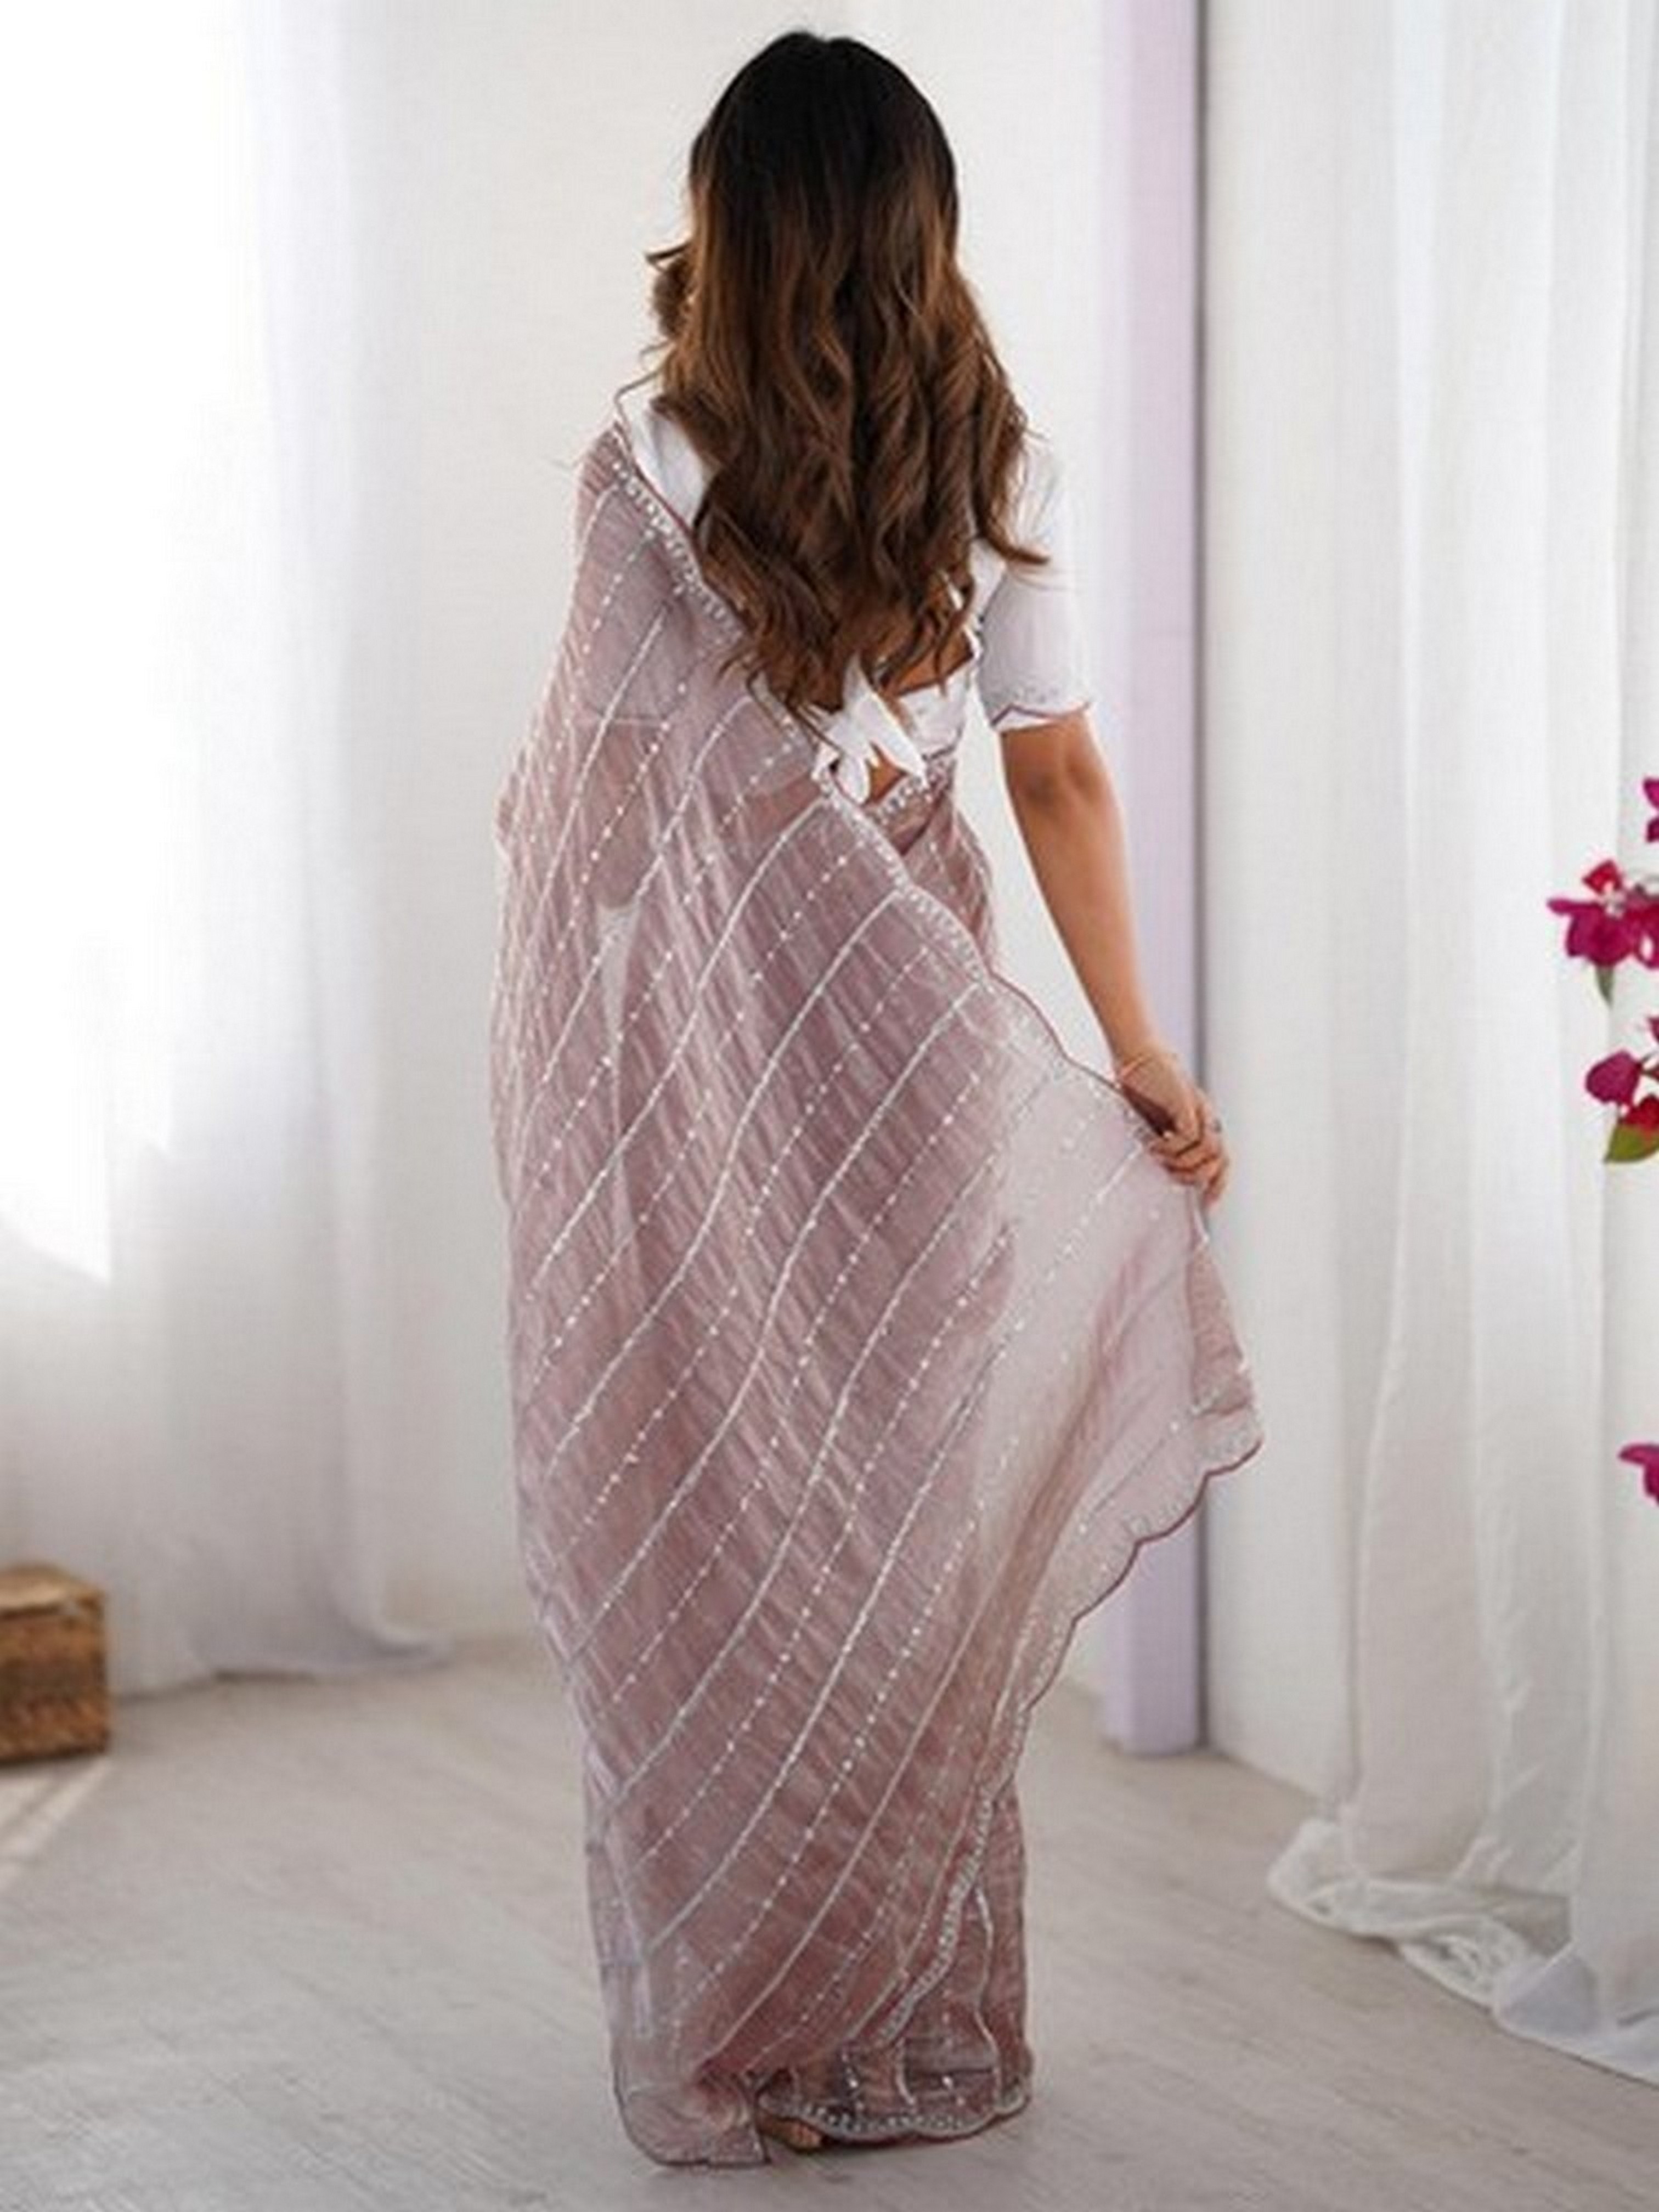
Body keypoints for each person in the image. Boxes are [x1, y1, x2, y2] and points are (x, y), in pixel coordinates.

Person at [488, 29, 1264, 2170]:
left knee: (726, 1515)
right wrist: (1133, 1045)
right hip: (921, 1040)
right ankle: (891, 2018)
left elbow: (607, 812)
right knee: (899, 1542)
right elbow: (1055, 775)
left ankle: (750, 2015)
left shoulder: (648, 456)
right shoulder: (999, 464)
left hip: (714, 1074)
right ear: (925, 226)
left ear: (729, 223)